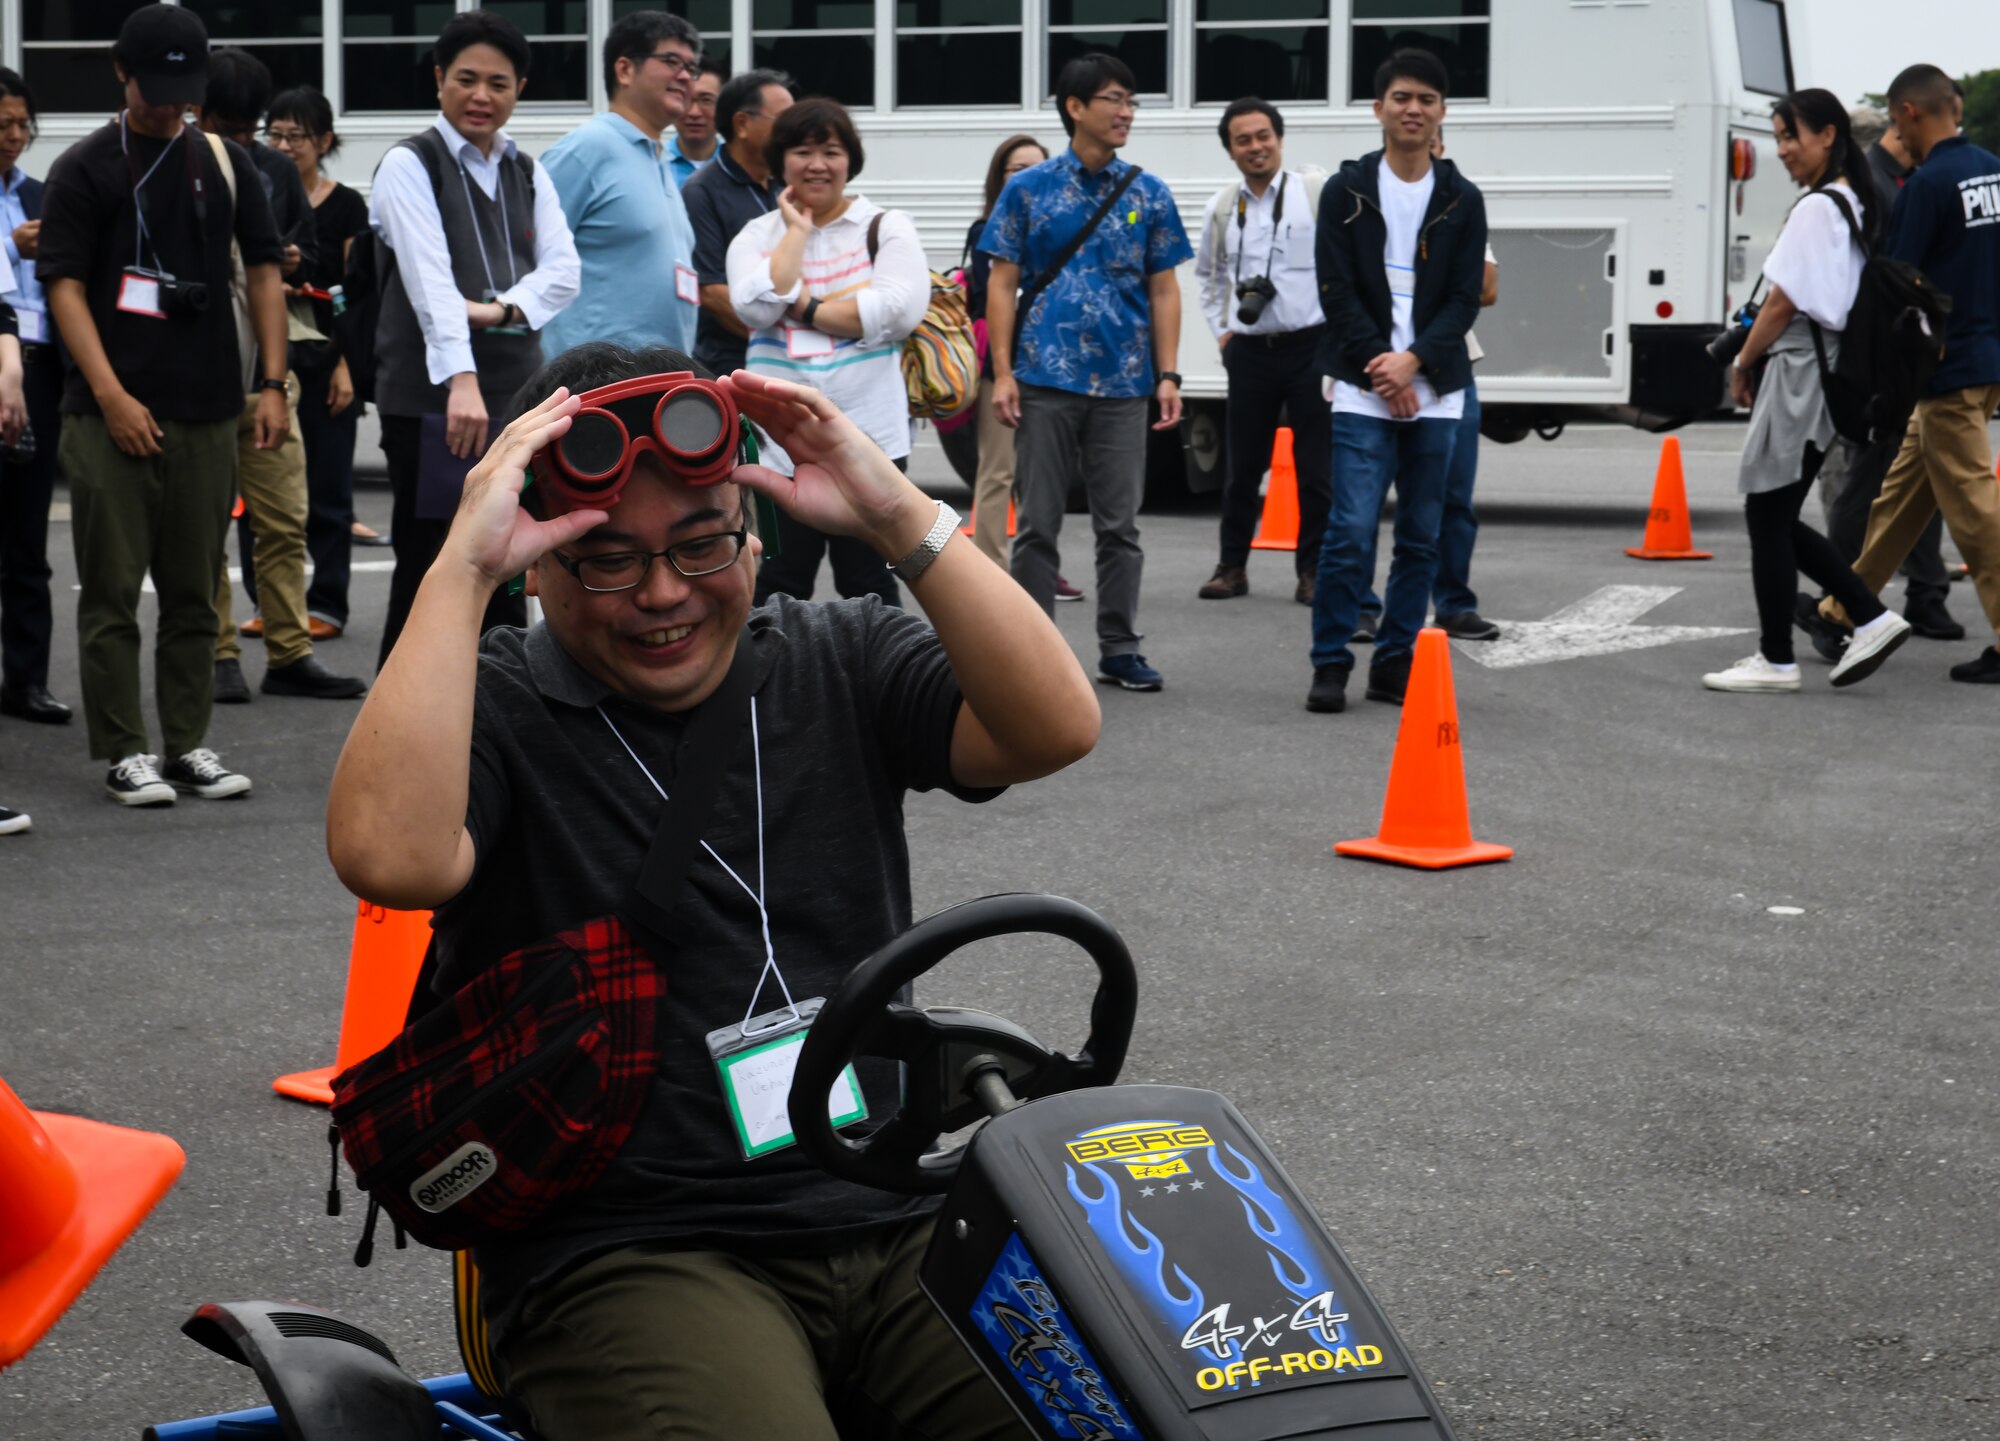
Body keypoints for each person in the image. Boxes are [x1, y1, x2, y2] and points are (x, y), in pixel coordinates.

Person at [323, 343, 1098, 1441]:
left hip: (887, 1207)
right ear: (537, 562)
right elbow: (387, 858)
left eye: (701, 544)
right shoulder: (495, 706)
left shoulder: (841, 654)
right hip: (634, 1244)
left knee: (1104, 1416)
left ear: (750, 528)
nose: (661, 593)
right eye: (604, 559)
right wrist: (462, 566)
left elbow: (1054, 726)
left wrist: (892, 510)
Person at [40, 3, 286, 804]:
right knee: (111, 591)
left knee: (194, 585)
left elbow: (263, 270)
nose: (171, 105)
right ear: (121, 72)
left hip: (209, 405)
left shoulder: (221, 159)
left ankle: (187, 742)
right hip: (107, 411)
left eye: (185, 90)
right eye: (156, 87)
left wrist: (272, 383)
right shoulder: (84, 166)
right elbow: (65, 287)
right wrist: (110, 396)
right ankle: (124, 749)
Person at [368, 8, 580, 668]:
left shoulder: (524, 169)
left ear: (520, 89)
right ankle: (402, 718)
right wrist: (461, 378)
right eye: (466, 79)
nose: (482, 96)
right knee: (436, 561)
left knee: (511, 562)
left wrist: (497, 312)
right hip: (439, 400)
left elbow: (564, 272)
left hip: (517, 392)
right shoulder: (411, 164)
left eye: (499, 83)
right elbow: (431, 284)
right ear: (438, 80)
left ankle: (497, 717)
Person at [983, 53, 1192, 693]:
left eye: (1132, 101)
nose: (1126, 111)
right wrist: (1004, 372)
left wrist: (1169, 374)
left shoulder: (1149, 191)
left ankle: (1120, 648)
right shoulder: (1029, 189)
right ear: (1075, 107)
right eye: (1114, 99)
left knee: (1120, 528)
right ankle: (1035, 652)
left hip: (1125, 385)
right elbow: (1002, 283)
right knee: (1038, 523)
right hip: (1044, 377)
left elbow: (1164, 290)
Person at [1701, 89, 1910, 694]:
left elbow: (1782, 300)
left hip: (1798, 371)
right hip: (1826, 372)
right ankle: (1866, 619)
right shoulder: (1855, 201)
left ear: (1828, 135)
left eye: (1791, 136)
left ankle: (1780, 658)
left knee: (1766, 512)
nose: (1784, 150)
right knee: (1775, 514)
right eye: (1778, 138)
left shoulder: (1819, 207)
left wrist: (1742, 359)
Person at [1304, 49, 1485, 715]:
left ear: (1442, 114)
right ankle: (1329, 663)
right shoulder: (1346, 190)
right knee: (1349, 529)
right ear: (1378, 107)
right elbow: (1335, 288)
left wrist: (1416, 363)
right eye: (1402, 97)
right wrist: (1384, 363)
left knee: (1419, 537)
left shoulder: (1463, 199)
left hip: (1437, 392)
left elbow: (1466, 297)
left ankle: (1395, 662)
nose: (1414, 109)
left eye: (1428, 99)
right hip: (1360, 386)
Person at [1818, 64, 2000, 684]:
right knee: (1897, 500)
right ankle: (1843, 608)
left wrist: (1875, 373)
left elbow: (1900, 282)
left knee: (1975, 512)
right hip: (1986, 358)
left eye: (1897, 121)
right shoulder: (1993, 170)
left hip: (1947, 370)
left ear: (1907, 113)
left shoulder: (1928, 184)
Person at [199, 48, 367, 702]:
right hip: (197, 374)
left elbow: (306, 262)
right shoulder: (173, 163)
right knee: (208, 524)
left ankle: (290, 651)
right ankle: (216, 652)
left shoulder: (272, 168)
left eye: (250, 127)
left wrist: (289, 257)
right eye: (227, 124)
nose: (242, 140)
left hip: (272, 370)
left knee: (285, 517)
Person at [728, 97, 926, 606]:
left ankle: (883, 685)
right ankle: (766, 686)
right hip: (778, 442)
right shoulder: (757, 234)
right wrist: (797, 230)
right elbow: (753, 308)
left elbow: (898, 311)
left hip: (871, 437)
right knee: (775, 586)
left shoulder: (885, 226)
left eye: (832, 151)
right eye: (803, 150)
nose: (818, 164)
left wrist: (805, 305)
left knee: (871, 585)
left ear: (850, 160)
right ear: (782, 161)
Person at [1806, 105, 1960, 647]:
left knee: (1912, 481)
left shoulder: (1903, 182)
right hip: (1878, 358)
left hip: (1900, 356)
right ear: (1901, 126)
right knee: (1865, 486)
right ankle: (1842, 608)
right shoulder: (1870, 187)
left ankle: (1924, 595)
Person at [1194, 97, 1329, 608]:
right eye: (1243, 139)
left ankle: (1312, 571)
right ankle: (1232, 567)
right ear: (1230, 149)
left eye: (1263, 135)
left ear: (1279, 138)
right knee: (1242, 468)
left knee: (1318, 470)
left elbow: (1340, 266)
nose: (1256, 146)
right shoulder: (1223, 206)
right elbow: (1207, 276)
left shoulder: (1314, 194)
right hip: (1249, 351)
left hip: (1312, 346)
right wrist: (1222, 334)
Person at [266, 85, 371, 641]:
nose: (283, 145)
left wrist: (347, 366)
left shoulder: (347, 205)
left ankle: (326, 605)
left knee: (329, 492)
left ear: (323, 140)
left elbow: (355, 296)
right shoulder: (257, 195)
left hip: (328, 359)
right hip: (267, 360)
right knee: (264, 495)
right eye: (274, 133)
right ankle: (274, 605)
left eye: (296, 136)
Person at [962, 132, 1082, 601]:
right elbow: (987, 295)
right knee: (998, 471)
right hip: (1004, 363)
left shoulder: (1062, 227)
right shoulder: (986, 229)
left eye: (1038, 168)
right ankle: (991, 570)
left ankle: (1039, 568)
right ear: (1001, 178)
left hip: (1054, 365)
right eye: (1018, 169)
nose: (1030, 178)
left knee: (1044, 477)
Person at [541, 12, 700, 363]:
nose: (686, 76)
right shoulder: (586, 149)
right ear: (625, 69)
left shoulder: (660, 160)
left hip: (661, 381)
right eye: (672, 61)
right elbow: (527, 261)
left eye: (692, 67)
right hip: (591, 384)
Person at [0, 67, 71, 728]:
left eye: (24, 124)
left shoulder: (40, 192)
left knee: (28, 535)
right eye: (4, 125)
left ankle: (26, 679)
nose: (16, 137)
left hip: (38, 364)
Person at [683, 68, 791, 378]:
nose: (794, 130)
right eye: (783, 120)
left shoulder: (782, 184)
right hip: (732, 368)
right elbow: (711, 292)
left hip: (787, 361)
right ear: (742, 124)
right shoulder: (701, 190)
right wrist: (781, 341)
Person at [668, 55, 725, 187]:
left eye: (706, 100)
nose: (694, 113)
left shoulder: (735, 166)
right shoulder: (654, 165)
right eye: (685, 99)